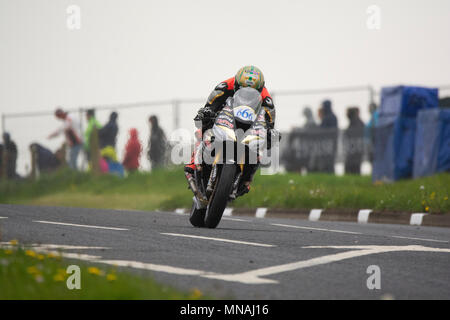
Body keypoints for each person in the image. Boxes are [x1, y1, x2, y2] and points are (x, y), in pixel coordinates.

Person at [184, 65, 277, 195]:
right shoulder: (225, 85)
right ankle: (194, 163)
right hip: (225, 116)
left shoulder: (266, 98)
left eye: (253, 90)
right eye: (243, 88)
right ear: (236, 84)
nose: (248, 92)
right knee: (204, 127)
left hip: (249, 124)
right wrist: (206, 113)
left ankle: (246, 180)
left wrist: (269, 133)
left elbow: (269, 122)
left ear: (260, 88)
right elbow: (210, 104)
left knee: (259, 148)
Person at [318, 99, 338, 173]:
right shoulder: (333, 116)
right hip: (332, 143)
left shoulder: (327, 117)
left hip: (327, 143)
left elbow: (322, 130)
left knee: (328, 162)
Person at [344, 107, 365, 174]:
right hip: (353, 149)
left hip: (355, 149)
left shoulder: (357, 123)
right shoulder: (355, 122)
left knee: (354, 167)